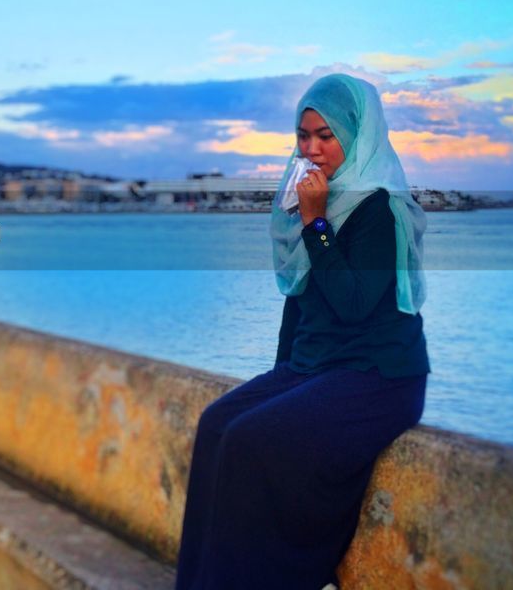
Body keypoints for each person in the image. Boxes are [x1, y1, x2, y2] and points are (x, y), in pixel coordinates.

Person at [174, 73, 430, 590]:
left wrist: (317, 224)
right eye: (303, 135)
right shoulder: (308, 199)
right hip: (314, 367)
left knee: (251, 441)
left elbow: (355, 305)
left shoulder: (377, 206)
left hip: (378, 376)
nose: (312, 149)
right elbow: (298, 302)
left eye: (326, 136)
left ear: (356, 136)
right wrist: (278, 379)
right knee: (218, 423)